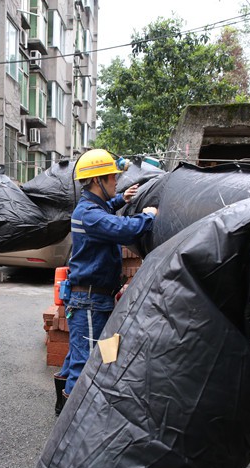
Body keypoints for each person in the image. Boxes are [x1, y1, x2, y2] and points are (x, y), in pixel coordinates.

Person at [54, 149, 158, 415]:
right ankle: (72, 425)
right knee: (86, 364)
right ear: (97, 181)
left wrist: (122, 198)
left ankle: (61, 408)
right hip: (89, 301)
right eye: (112, 178)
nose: (116, 181)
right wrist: (148, 215)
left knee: (77, 357)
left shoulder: (91, 208)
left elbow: (105, 210)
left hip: (91, 298)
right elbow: (124, 230)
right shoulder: (89, 214)